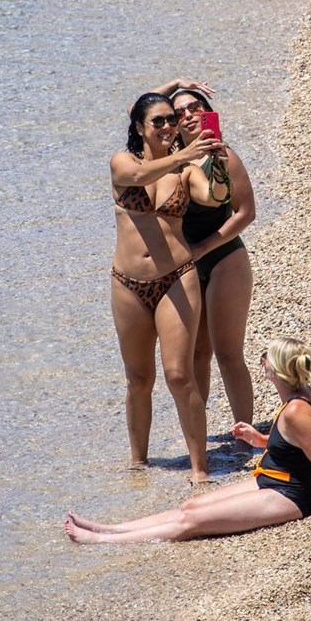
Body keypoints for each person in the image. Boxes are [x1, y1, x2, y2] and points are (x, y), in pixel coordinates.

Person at [65, 337, 311, 543]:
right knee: (190, 507)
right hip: (271, 479)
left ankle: (101, 540)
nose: (262, 361)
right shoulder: (301, 397)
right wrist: (259, 439)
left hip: (290, 496)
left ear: (275, 371)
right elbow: (296, 447)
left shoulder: (297, 410)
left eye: (266, 357)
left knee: (192, 522)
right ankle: (110, 528)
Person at [110, 87, 226, 482]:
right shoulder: (122, 162)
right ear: (140, 128)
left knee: (179, 374)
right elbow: (139, 176)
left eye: (170, 120)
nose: (165, 126)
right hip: (128, 284)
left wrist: (216, 165)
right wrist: (182, 152)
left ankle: (199, 468)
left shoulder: (187, 170)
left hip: (177, 277)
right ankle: (138, 465)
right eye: (156, 121)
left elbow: (214, 198)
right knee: (139, 379)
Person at [149, 82, 258, 457]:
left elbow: (246, 213)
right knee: (197, 354)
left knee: (229, 353)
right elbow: (140, 113)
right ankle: (201, 437)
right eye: (178, 113)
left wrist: (202, 247)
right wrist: (175, 83)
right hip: (187, 266)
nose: (188, 115)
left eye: (195, 107)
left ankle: (245, 437)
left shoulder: (223, 155)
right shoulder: (172, 161)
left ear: (208, 111)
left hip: (225, 256)